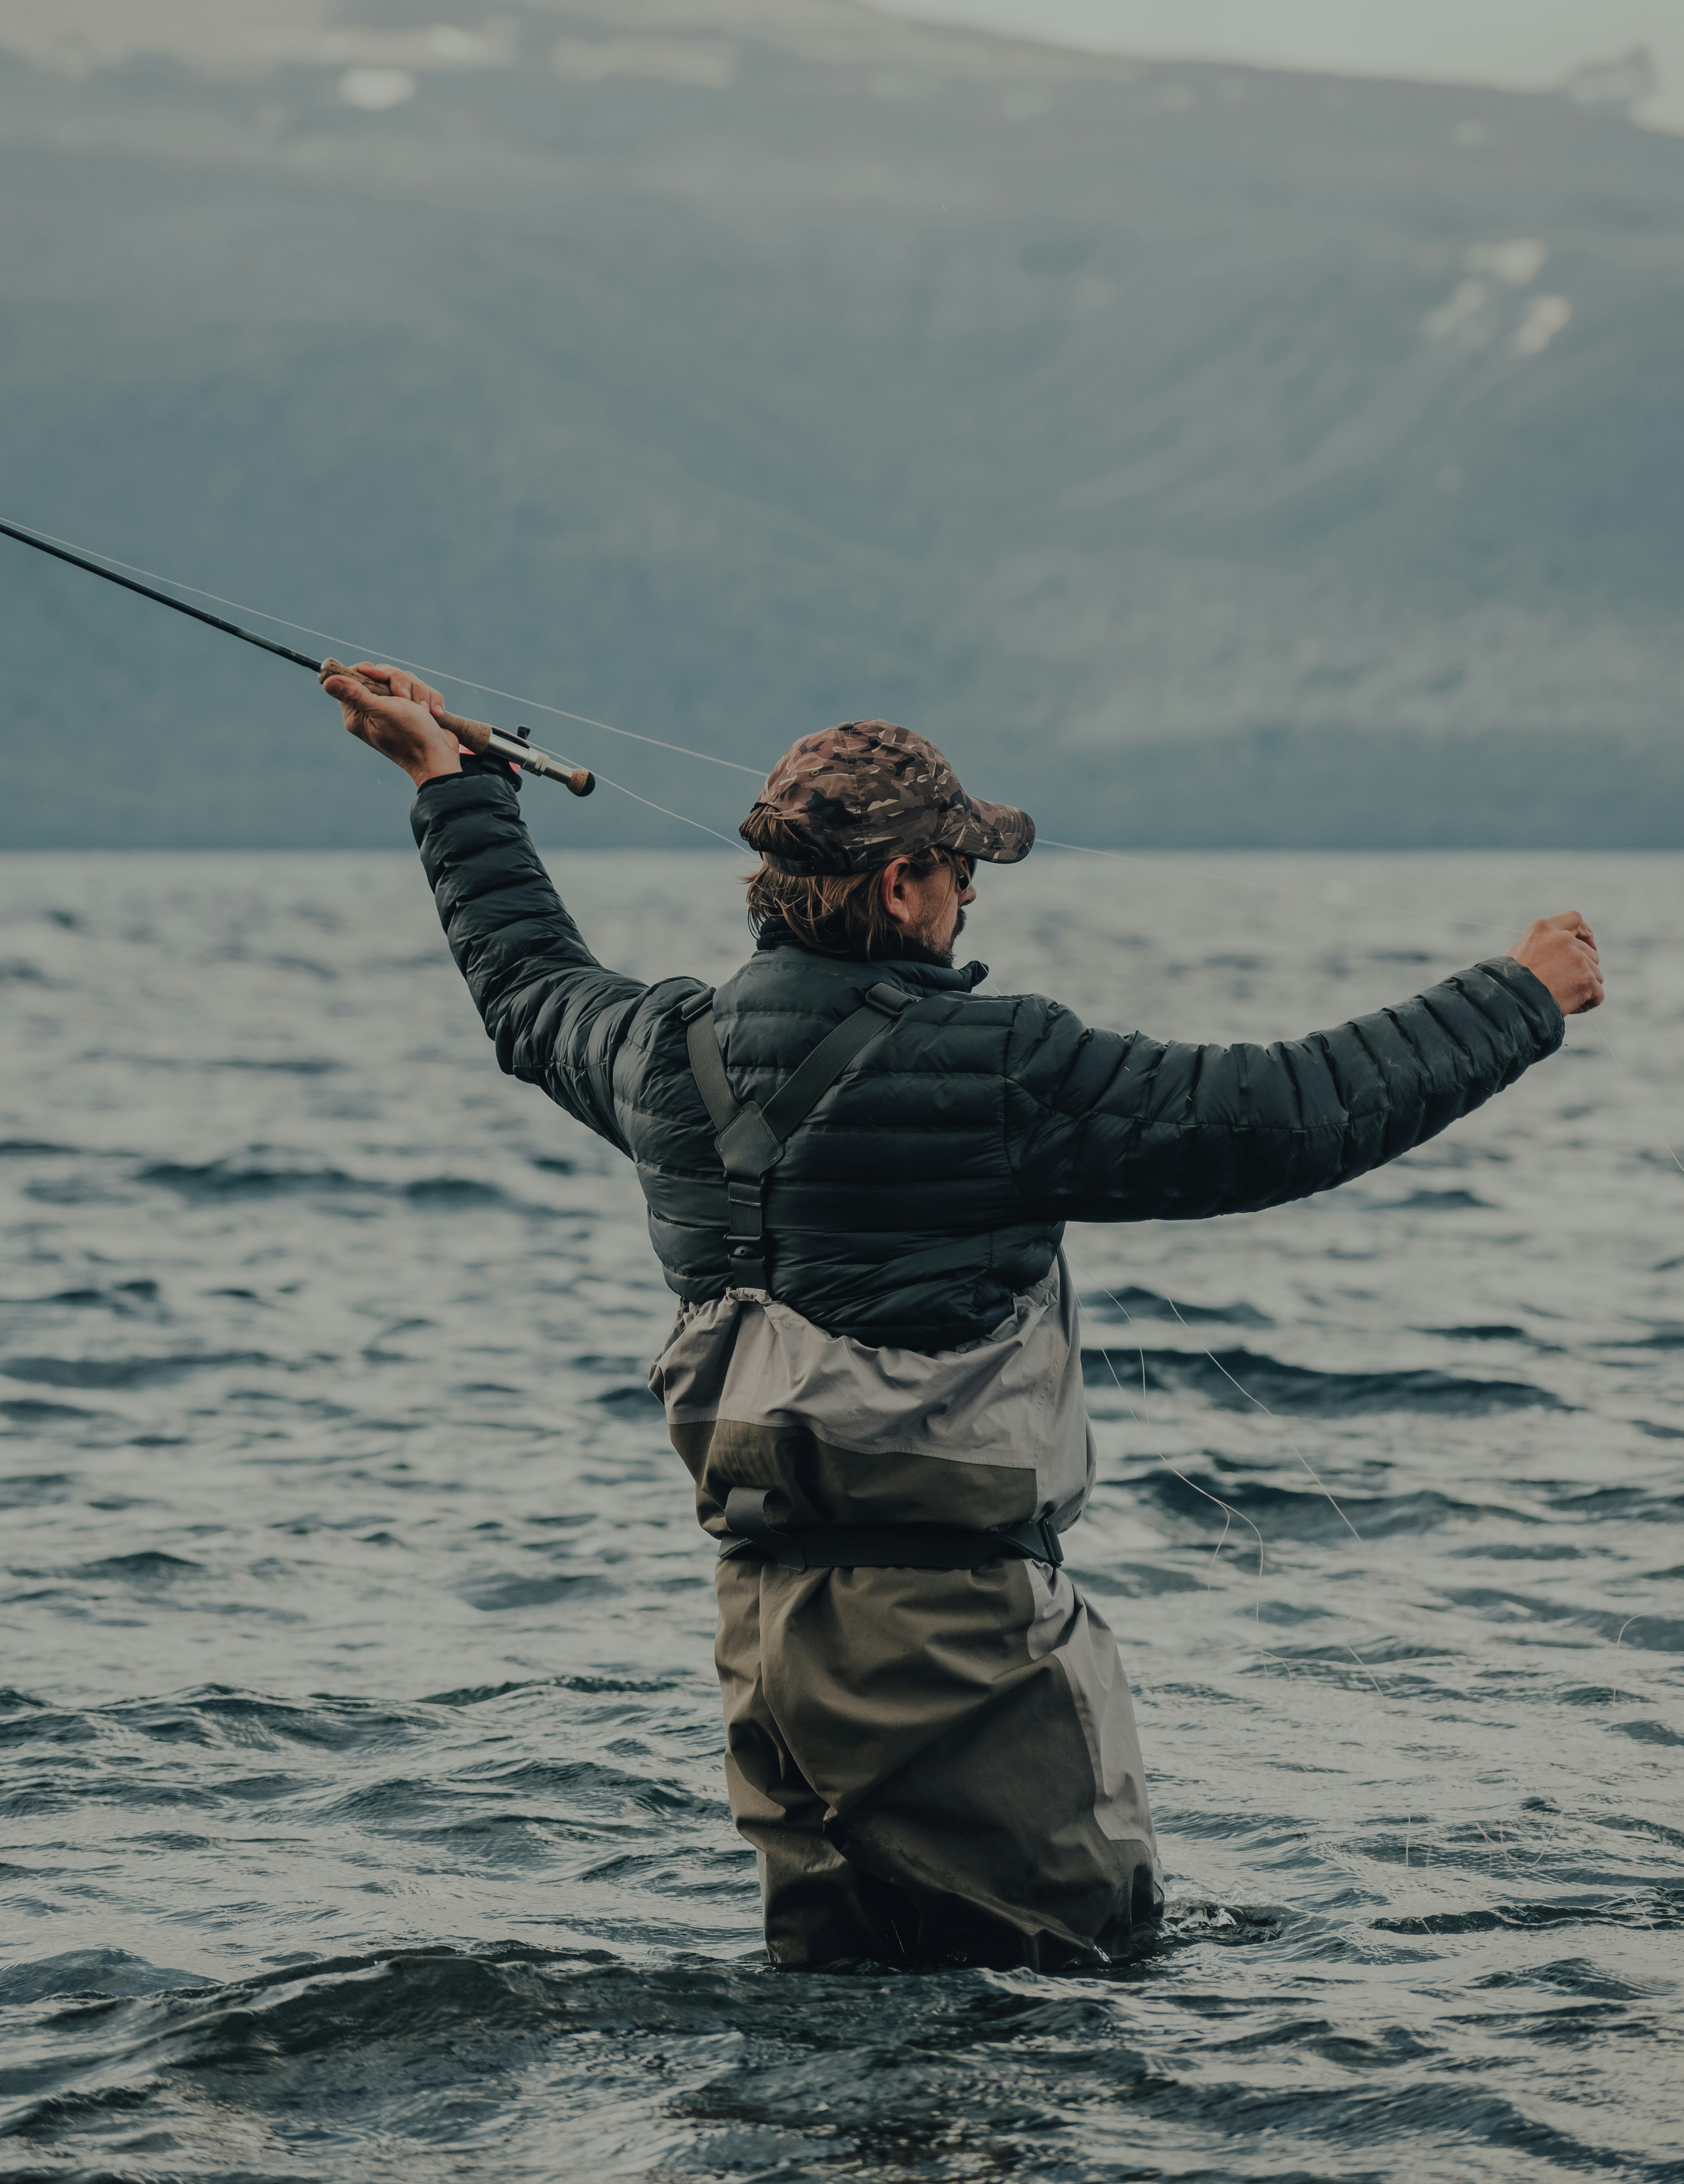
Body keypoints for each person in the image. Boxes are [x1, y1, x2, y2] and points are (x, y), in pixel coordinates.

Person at [323, 661, 1604, 1971]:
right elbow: (1278, 1116)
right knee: (1055, 2011)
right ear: (899, 886)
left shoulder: (664, 1055)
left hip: (766, 1642)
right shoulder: (1002, 1066)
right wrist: (1515, 998)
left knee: (835, 2037)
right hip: (959, 1653)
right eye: (959, 869)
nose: (971, 892)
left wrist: (453, 787)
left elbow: (527, 990)